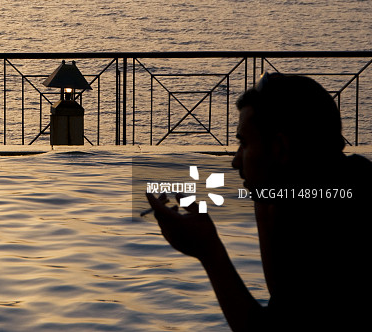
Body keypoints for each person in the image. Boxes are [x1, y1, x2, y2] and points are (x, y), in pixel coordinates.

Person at [146, 73, 371, 331]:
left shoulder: (323, 225)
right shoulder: (346, 183)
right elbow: (284, 310)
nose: (235, 162)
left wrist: (209, 251)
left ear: (280, 148)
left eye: (244, 143)